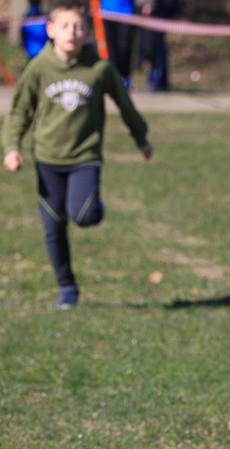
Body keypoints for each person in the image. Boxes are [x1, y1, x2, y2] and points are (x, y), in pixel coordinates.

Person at [2, 0, 153, 310]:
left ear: (88, 32)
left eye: (79, 27)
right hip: (47, 159)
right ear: (51, 30)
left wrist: (141, 137)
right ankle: (67, 287)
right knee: (53, 227)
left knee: (83, 215)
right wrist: (12, 148)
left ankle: (95, 206)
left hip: (85, 157)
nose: (72, 32)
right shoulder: (39, 68)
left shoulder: (99, 69)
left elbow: (125, 104)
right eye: (66, 26)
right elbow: (20, 111)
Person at [136, 0, 179, 92]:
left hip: (159, 7)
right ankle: (159, 80)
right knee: (153, 44)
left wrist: (150, 4)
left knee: (156, 45)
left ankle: (156, 80)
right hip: (157, 6)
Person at [99, 0, 136, 89]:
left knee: (124, 47)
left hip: (126, 12)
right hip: (106, 12)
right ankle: (115, 77)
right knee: (111, 49)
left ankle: (125, 76)